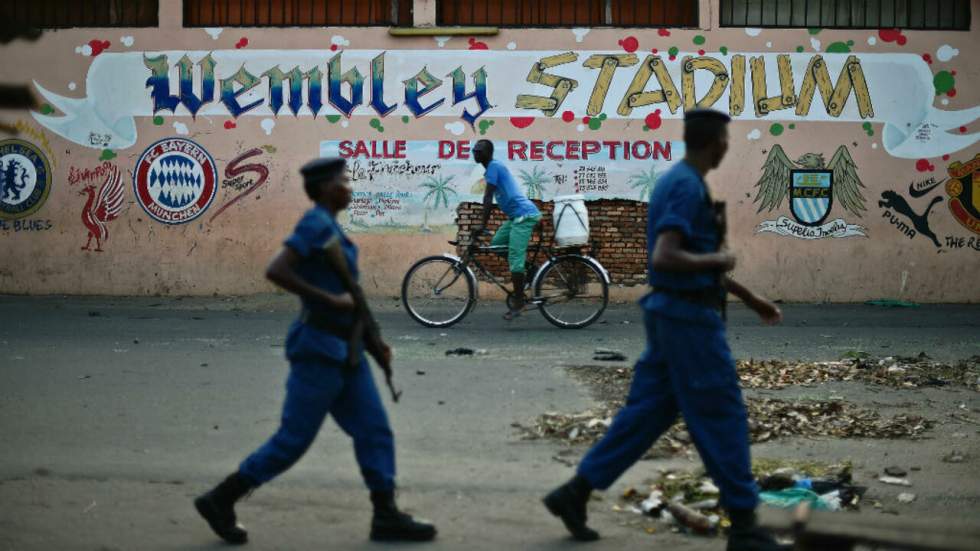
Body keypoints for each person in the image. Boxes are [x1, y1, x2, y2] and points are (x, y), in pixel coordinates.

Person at [542, 109, 789, 551]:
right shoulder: (684, 186)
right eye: (725, 140)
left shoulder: (685, 183)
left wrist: (749, 297)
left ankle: (574, 494)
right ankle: (746, 524)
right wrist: (720, 260)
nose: (727, 147)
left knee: (648, 414)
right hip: (687, 320)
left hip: (674, 313)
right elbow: (666, 256)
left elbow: (690, 255)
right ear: (715, 142)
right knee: (722, 412)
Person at [194, 158, 436, 544]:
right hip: (319, 350)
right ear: (325, 187)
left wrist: (375, 346)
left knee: (374, 430)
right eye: (343, 181)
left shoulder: (332, 227)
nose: (349, 187)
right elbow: (277, 270)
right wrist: (330, 299)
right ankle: (221, 498)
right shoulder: (315, 224)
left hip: (348, 351)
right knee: (293, 440)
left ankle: (386, 514)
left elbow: (352, 296)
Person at [472, 139, 542, 320]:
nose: (475, 153)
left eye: (479, 151)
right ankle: (531, 269)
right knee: (497, 244)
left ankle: (519, 302)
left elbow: (488, 197)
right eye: (474, 151)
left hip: (524, 216)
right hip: (515, 218)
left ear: (489, 153)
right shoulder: (491, 169)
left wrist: (482, 224)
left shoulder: (494, 166)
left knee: (514, 259)